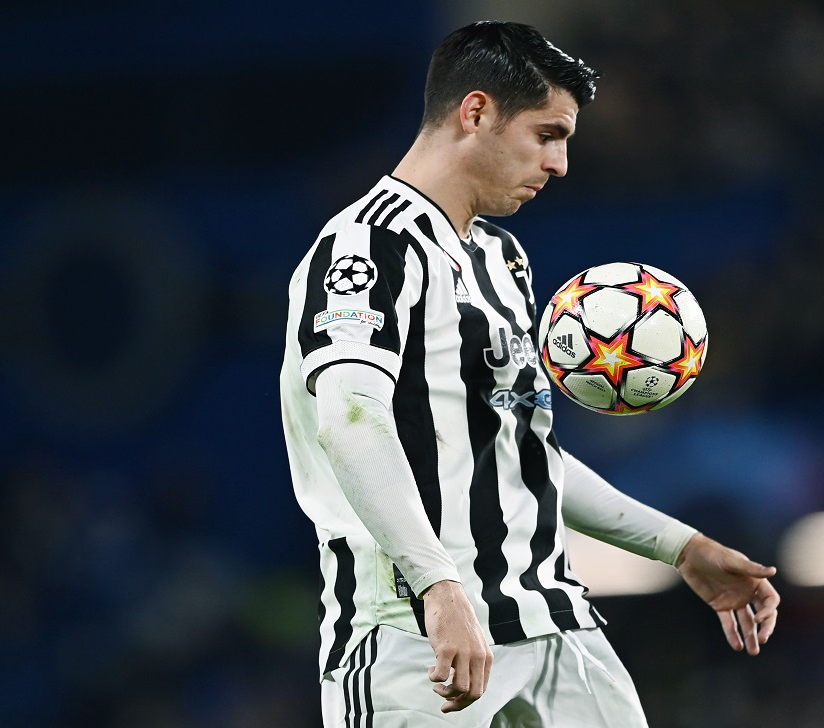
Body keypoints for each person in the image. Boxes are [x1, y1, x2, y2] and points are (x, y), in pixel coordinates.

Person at [279, 20, 779, 726]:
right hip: (412, 634)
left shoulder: (501, 258)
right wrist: (438, 589)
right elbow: (350, 422)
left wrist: (680, 545)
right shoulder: (368, 248)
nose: (560, 164)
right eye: (547, 134)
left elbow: (524, 456)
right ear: (476, 112)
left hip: (553, 621)